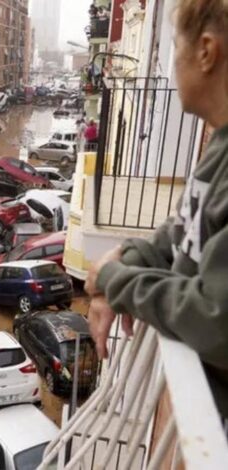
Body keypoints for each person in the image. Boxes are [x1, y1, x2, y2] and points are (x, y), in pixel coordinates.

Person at [84, 0, 228, 418]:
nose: (170, 66)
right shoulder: (219, 144)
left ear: (205, 51)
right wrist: (129, 257)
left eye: (175, 48)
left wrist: (115, 279)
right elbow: (185, 227)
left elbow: (216, 319)